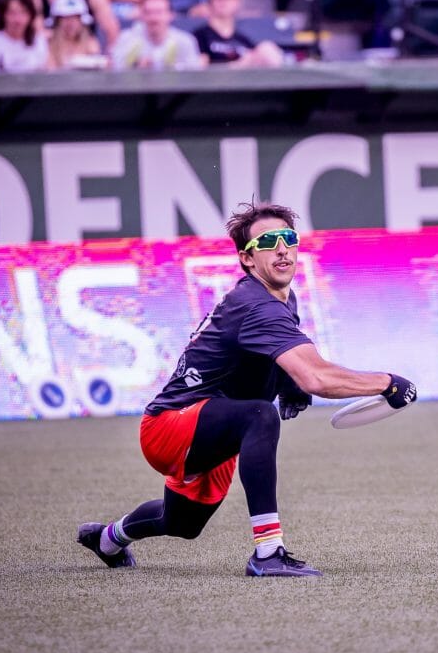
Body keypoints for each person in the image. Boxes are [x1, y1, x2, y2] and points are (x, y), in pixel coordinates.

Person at [77, 200, 417, 577]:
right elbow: (316, 377)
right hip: (169, 426)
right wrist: (387, 383)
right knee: (261, 415)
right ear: (247, 259)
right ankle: (269, 553)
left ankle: (108, 538)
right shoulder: (258, 306)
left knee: (183, 524)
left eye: (288, 238)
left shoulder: (280, 300)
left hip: (210, 424)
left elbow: (281, 363)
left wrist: (287, 386)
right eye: (268, 242)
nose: (282, 248)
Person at [193, 0, 284, 66]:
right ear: (210, 2)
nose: (223, 1)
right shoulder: (200, 36)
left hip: (244, 80)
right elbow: (200, 69)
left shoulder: (243, 39)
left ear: (237, 3)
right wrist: (241, 64)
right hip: (216, 80)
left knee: (267, 48)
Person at [111, 0, 205, 70]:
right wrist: (135, 66)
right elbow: (115, 71)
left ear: (170, 15)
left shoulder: (185, 41)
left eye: (158, 12)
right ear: (141, 15)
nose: (153, 18)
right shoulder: (126, 39)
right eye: (148, 12)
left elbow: (192, 76)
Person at [46, 0, 106, 69]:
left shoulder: (91, 43)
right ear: (57, 22)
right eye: (65, 18)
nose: (71, 23)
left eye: (75, 18)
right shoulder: (48, 44)